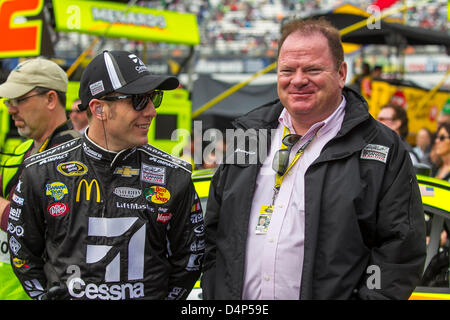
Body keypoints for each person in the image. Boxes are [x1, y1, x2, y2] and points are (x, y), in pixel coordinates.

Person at [202, 18, 426, 300]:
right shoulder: (249, 136)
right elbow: (213, 234)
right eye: (287, 70)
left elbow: (401, 252)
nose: (298, 80)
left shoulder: (382, 147)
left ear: (341, 73)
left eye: (312, 69)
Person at [7, 50, 204, 300]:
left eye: (154, 98)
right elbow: (23, 256)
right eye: (139, 101)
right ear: (99, 109)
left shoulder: (175, 176)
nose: (152, 111)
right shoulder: (40, 171)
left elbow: (189, 261)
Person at [0, 57, 81, 300]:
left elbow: (44, 225)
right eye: (9, 101)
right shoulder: (22, 149)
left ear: (50, 99)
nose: (10, 109)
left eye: (20, 100)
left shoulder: (77, 157)